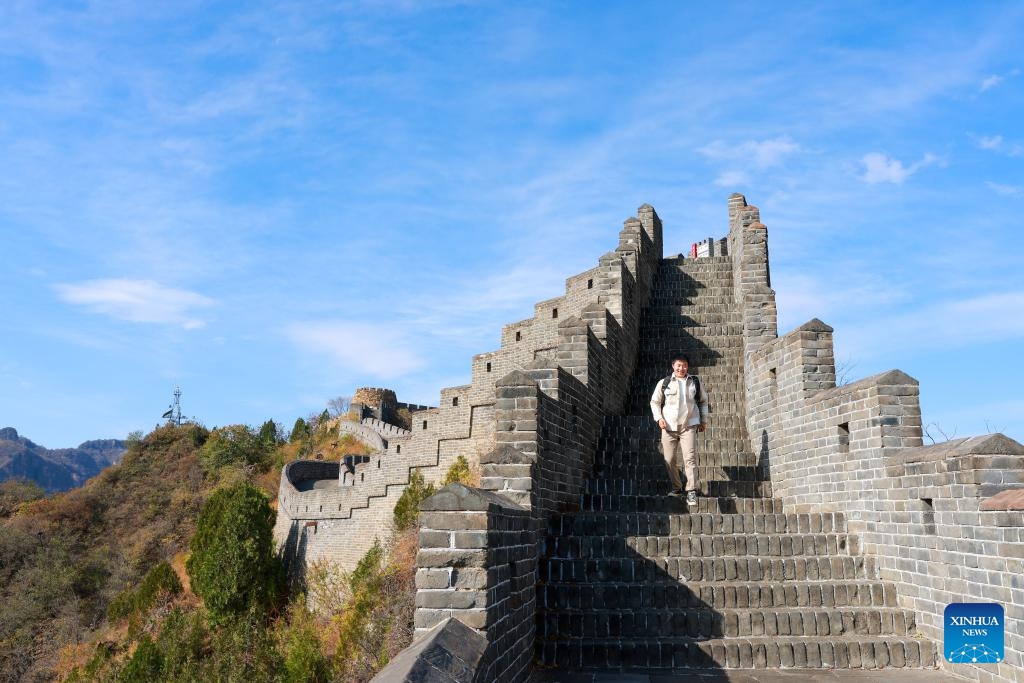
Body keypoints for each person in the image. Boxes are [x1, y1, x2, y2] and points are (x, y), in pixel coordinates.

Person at [650, 354, 708, 506]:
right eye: (678, 365)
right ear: (673, 366)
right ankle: (677, 487)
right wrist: (658, 418)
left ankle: (691, 491)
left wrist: (703, 420)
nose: (681, 368)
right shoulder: (665, 382)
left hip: (689, 425)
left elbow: (703, 401)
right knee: (669, 459)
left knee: (690, 458)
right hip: (668, 426)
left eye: (684, 365)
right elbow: (655, 402)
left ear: (687, 367)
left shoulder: (694, 381)